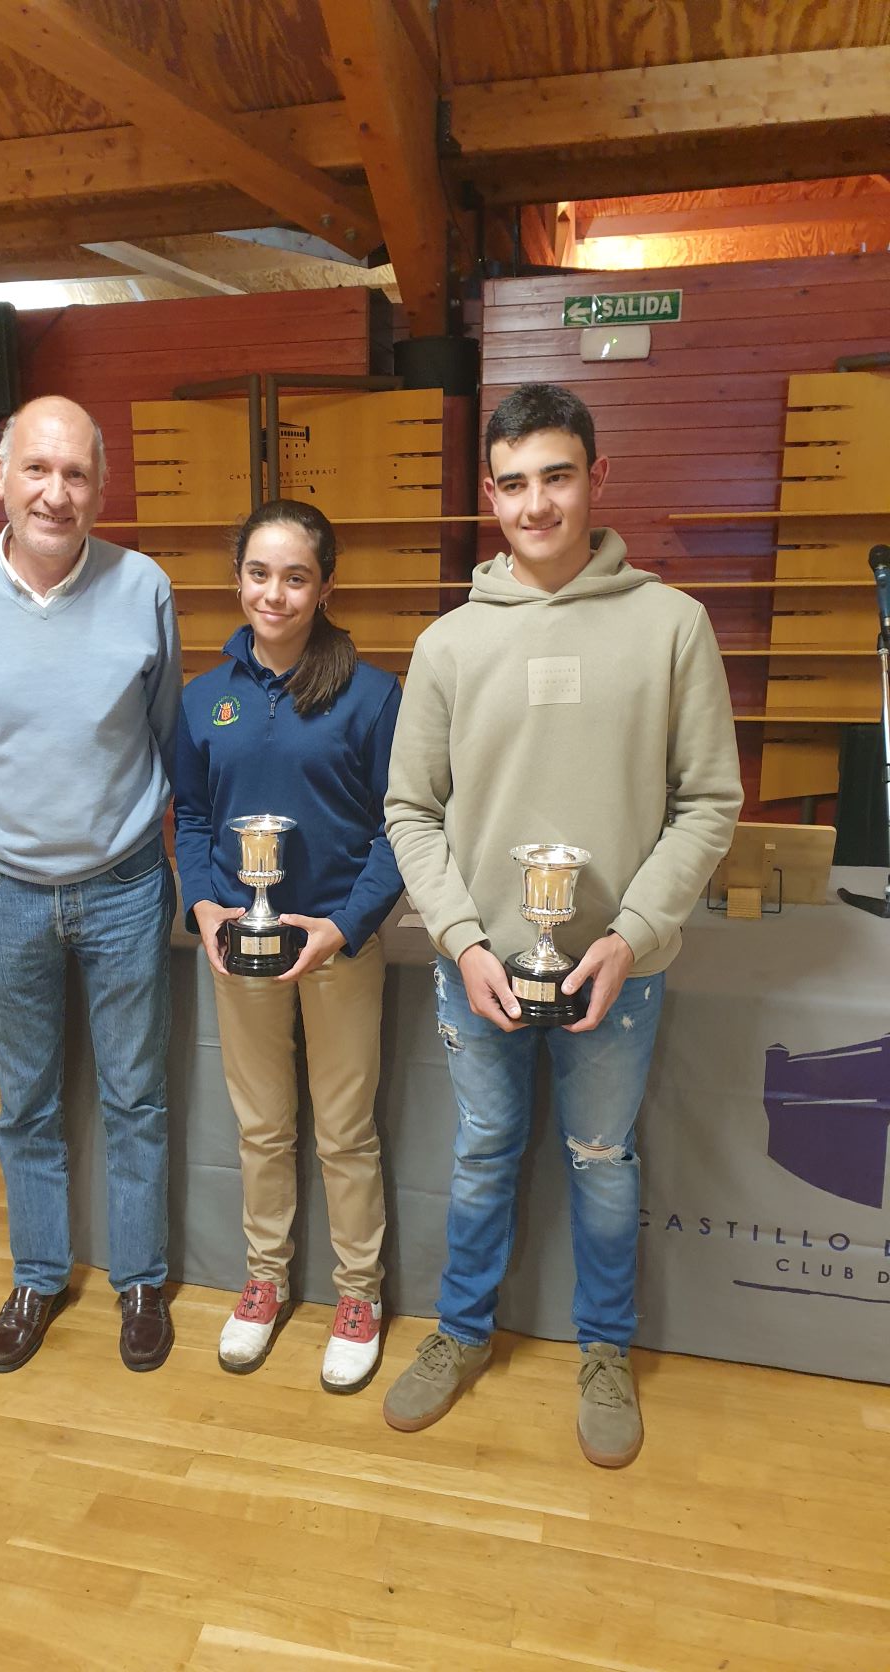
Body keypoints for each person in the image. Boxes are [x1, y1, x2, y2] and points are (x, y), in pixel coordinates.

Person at [381, 383, 742, 1464]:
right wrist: (463, 938)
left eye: (557, 475)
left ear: (597, 480)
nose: (536, 503)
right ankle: (459, 1332)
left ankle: (604, 1349)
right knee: (485, 1152)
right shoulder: (448, 644)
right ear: (489, 494)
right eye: (514, 482)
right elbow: (410, 808)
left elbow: (709, 801)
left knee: (601, 1156)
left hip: (617, 974)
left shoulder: (673, 626)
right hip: (481, 968)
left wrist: (631, 933)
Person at [0, 395, 182, 1376]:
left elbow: (164, 731)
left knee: (136, 1093)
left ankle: (141, 1277)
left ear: (101, 487)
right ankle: (37, 1270)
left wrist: (142, 847)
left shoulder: (143, 586)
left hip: (123, 885)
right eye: (37, 469)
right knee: (23, 1099)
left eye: (76, 474)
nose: (56, 493)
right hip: (5, 894)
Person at [173, 499, 403, 1393]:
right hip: (240, 945)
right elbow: (190, 817)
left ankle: (358, 1297)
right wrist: (205, 910)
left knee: (345, 1132)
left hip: (340, 946)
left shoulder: (374, 696)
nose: (275, 593)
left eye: (296, 576)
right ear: (237, 580)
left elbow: (400, 829)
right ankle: (264, 1282)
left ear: (325, 587)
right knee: (262, 1128)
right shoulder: (203, 700)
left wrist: (346, 925)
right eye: (259, 574)